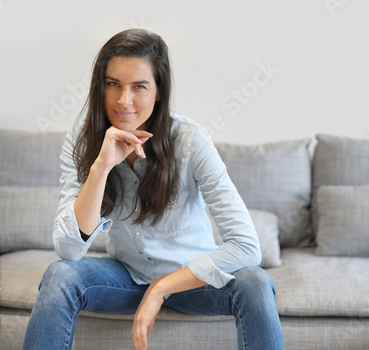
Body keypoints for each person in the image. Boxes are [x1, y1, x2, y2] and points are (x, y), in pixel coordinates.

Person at [22, 29, 284, 350]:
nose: (123, 100)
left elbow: (246, 247)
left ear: (158, 91)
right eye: (113, 84)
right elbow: (69, 250)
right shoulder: (85, 139)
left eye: (139, 87)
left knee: (256, 282)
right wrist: (101, 167)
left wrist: (161, 288)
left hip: (193, 282)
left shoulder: (190, 141)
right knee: (60, 275)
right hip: (127, 278)